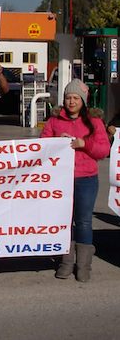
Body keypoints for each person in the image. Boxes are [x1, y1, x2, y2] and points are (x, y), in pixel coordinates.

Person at [41, 79, 110, 282]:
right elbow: (42, 145)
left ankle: (83, 266)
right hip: (61, 180)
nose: (71, 102)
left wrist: (84, 143)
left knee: (84, 221)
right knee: (64, 221)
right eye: (68, 98)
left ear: (83, 100)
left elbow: (103, 150)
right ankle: (66, 262)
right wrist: (56, 142)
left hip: (87, 179)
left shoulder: (94, 121)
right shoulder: (54, 121)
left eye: (75, 98)